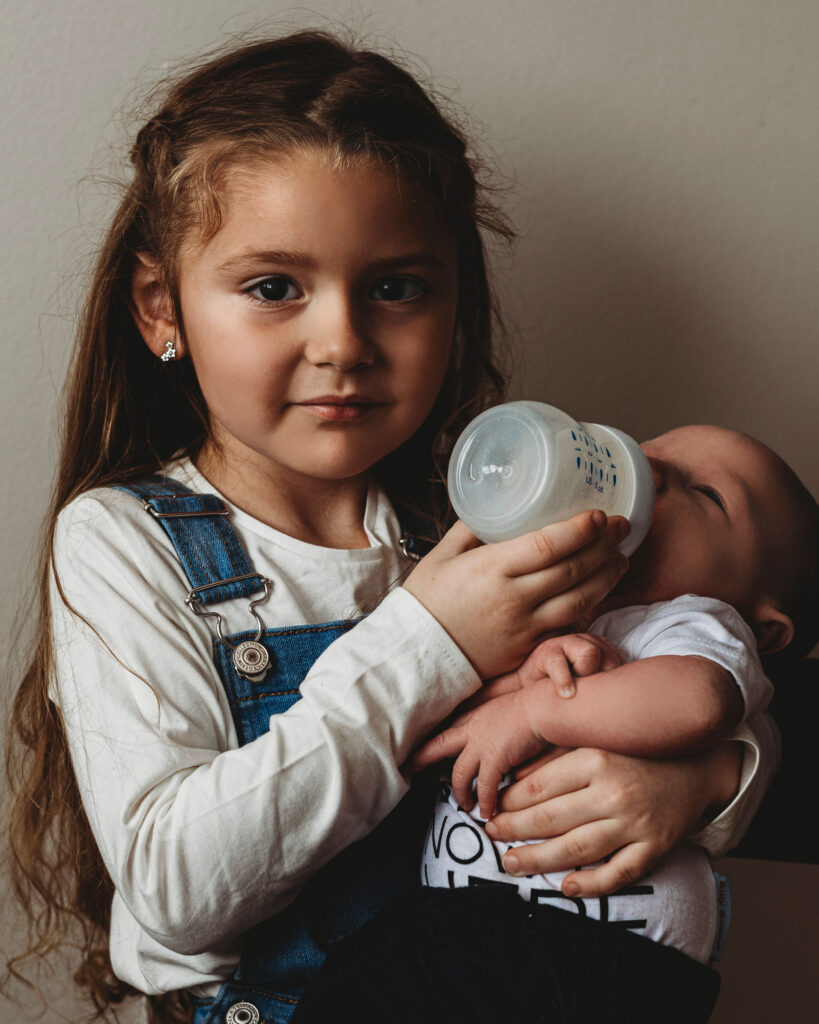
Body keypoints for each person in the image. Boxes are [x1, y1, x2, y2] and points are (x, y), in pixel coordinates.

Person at [3, 32, 778, 1024]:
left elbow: (697, 663)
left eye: (395, 287)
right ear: (163, 309)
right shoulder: (120, 543)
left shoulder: (493, 519)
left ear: (455, 303)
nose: (342, 342)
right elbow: (176, 898)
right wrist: (435, 641)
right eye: (273, 287)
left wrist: (710, 779)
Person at [293, 426, 817, 1023]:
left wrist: (534, 711)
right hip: (467, 931)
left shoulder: (694, 624)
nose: (651, 477)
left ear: (764, 628)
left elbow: (700, 702)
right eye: (647, 457)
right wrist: (520, 681)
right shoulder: (556, 608)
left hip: (596, 952)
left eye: (707, 493)